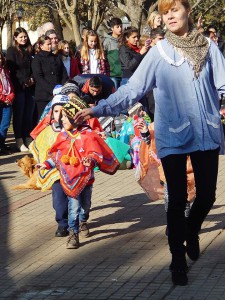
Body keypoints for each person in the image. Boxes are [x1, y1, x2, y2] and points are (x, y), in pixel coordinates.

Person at [76, 0, 225, 286]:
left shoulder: (208, 48)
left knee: (207, 196)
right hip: (173, 134)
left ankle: (192, 229)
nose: (169, 17)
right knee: (177, 199)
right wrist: (99, 108)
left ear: (188, 12)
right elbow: (133, 88)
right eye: (165, 12)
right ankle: (177, 260)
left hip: (205, 131)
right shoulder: (158, 53)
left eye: (175, 10)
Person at [36, 98, 120, 249]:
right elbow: (57, 155)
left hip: (86, 179)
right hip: (69, 179)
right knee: (73, 207)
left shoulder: (88, 135)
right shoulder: (63, 136)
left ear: (76, 118)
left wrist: (92, 161)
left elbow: (95, 153)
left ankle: (84, 220)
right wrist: (46, 164)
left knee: (85, 205)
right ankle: (73, 234)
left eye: (65, 117)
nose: (62, 120)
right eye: (60, 117)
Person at [30, 94, 70, 237]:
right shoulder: (47, 132)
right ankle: (62, 223)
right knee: (58, 198)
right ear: (52, 112)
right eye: (57, 111)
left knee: (78, 199)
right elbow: (40, 146)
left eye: (64, 112)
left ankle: (79, 220)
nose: (60, 115)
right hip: (55, 172)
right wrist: (43, 163)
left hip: (73, 170)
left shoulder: (76, 130)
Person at [6, 27, 35, 152]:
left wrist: (32, 78)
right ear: (15, 38)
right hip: (19, 86)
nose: (24, 39)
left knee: (28, 115)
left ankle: (27, 137)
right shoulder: (12, 51)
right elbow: (12, 69)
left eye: (25, 36)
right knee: (19, 114)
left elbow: (33, 67)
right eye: (21, 37)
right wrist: (24, 80)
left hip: (30, 87)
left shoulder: (29, 50)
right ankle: (19, 140)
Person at [32, 35, 68, 120]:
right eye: (48, 44)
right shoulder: (37, 59)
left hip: (58, 94)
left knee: (57, 119)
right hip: (43, 96)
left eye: (50, 44)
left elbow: (63, 73)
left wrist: (62, 87)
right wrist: (52, 89)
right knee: (43, 120)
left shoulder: (56, 57)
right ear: (41, 46)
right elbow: (39, 78)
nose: (50, 46)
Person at [0, 51, 15, 155]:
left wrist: (10, 97)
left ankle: (2, 145)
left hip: (7, 102)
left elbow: (10, 87)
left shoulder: (5, 71)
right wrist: (2, 98)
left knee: (4, 125)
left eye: (0, 58)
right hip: (1, 100)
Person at [103, 17, 123, 89]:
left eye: (121, 26)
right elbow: (103, 58)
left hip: (124, 74)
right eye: (117, 27)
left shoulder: (124, 40)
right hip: (113, 74)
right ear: (112, 28)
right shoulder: (107, 41)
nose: (120, 28)